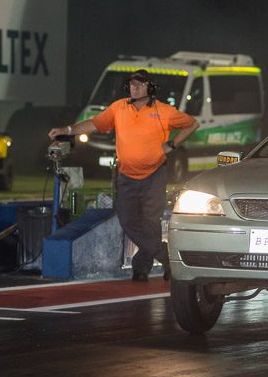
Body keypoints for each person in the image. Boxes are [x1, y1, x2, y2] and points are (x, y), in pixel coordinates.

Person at [48, 69, 199, 281]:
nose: (135, 88)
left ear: (150, 88)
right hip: (127, 175)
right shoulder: (118, 107)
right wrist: (66, 129)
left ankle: (141, 268)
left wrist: (172, 144)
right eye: (132, 84)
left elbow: (192, 124)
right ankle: (168, 258)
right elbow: (94, 124)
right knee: (128, 220)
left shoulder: (164, 111)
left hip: (155, 173)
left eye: (140, 84)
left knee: (150, 223)